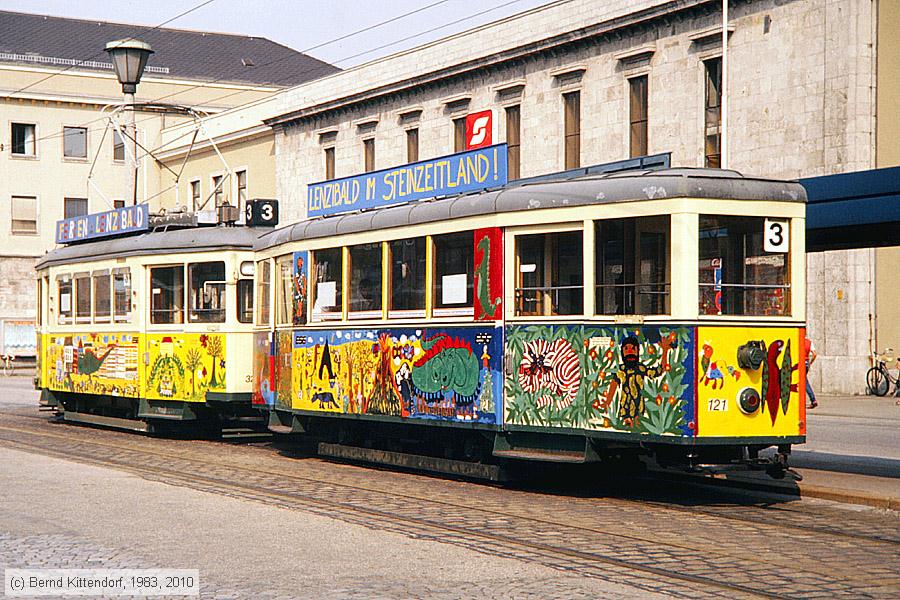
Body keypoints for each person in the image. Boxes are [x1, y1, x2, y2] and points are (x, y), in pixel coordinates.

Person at [805, 336, 818, 409]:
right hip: (806, 363)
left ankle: (813, 400)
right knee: (804, 382)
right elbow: (815, 354)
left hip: (800, 364)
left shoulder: (797, 340)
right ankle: (813, 400)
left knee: (804, 382)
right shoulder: (809, 342)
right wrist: (810, 362)